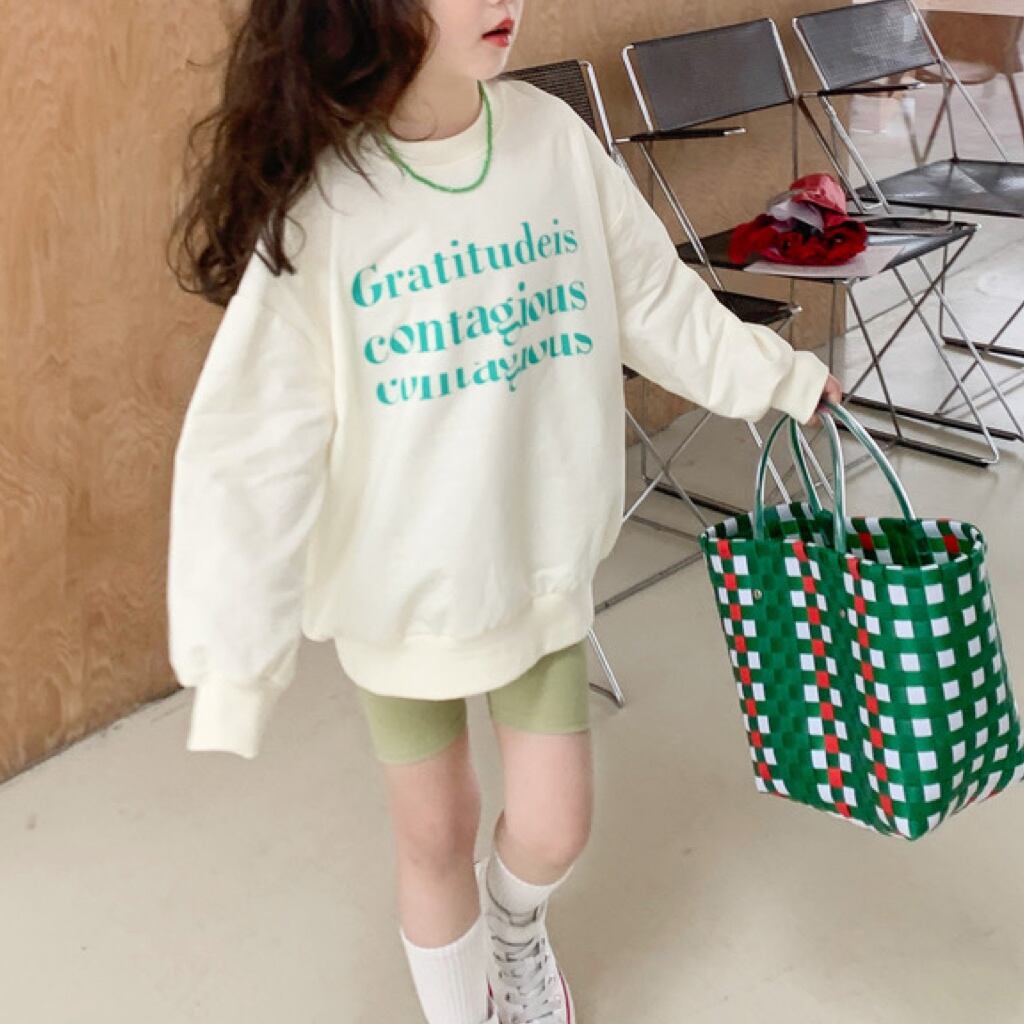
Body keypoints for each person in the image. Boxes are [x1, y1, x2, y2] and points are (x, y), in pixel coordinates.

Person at [164, 1, 843, 1022]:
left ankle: (514, 928)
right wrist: (233, 668)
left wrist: (777, 376)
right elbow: (252, 448)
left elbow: (653, 300)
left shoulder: (550, 140)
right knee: (434, 835)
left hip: (536, 566)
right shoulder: (325, 202)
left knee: (555, 826)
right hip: (398, 598)